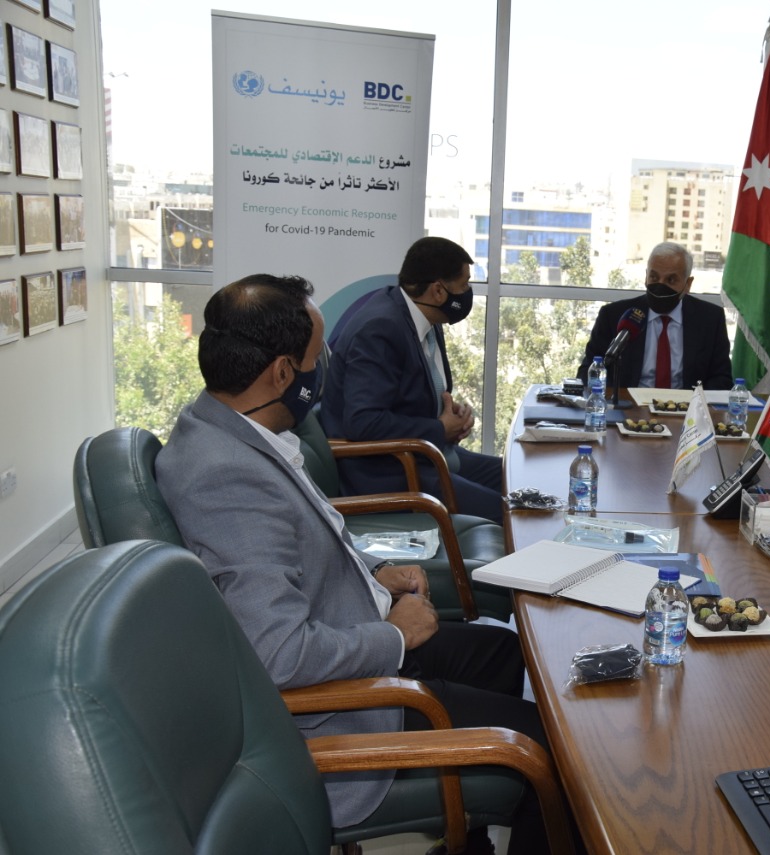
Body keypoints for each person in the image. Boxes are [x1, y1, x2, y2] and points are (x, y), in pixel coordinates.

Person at [155, 274, 551, 853]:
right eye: (318, 359)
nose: (325, 372)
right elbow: (278, 655)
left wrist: (372, 574)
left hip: (352, 633)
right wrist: (394, 636)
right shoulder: (226, 477)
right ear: (283, 373)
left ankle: (468, 841)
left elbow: (296, 546)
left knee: (509, 656)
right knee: (548, 749)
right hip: (343, 709)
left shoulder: (233, 429)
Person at [323, 237, 505, 523]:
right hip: (388, 470)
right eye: (464, 285)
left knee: (514, 480)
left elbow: (411, 394)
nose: (467, 292)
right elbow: (363, 422)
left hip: (427, 453)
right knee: (505, 512)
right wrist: (439, 428)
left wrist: (449, 415)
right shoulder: (379, 329)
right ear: (438, 291)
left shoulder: (426, 317)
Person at [577, 241, 732, 390]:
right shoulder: (614, 316)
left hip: (686, 405)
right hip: (629, 404)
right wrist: (616, 396)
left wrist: (697, 402)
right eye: (654, 277)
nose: (660, 285)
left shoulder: (710, 319)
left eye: (671, 280)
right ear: (646, 277)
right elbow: (587, 371)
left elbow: (722, 378)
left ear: (688, 284)